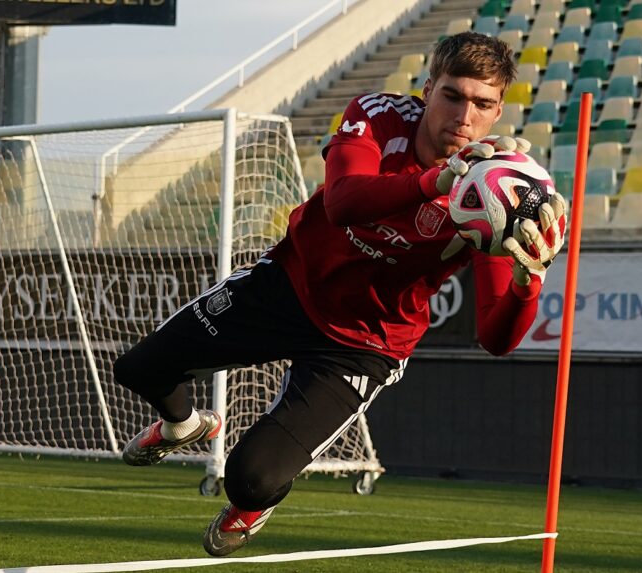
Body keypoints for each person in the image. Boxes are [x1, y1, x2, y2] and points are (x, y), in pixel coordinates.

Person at [113, 31, 566, 557]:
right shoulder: (377, 114)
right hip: (287, 285)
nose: (465, 116)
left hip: (363, 343)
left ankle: (252, 505)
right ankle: (182, 427)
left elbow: (495, 339)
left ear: (498, 110)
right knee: (138, 370)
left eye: (483, 104)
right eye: (453, 96)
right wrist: (432, 183)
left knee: (251, 479)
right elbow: (343, 202)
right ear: (426, 90)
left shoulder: (500, 190)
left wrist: (528, 277)